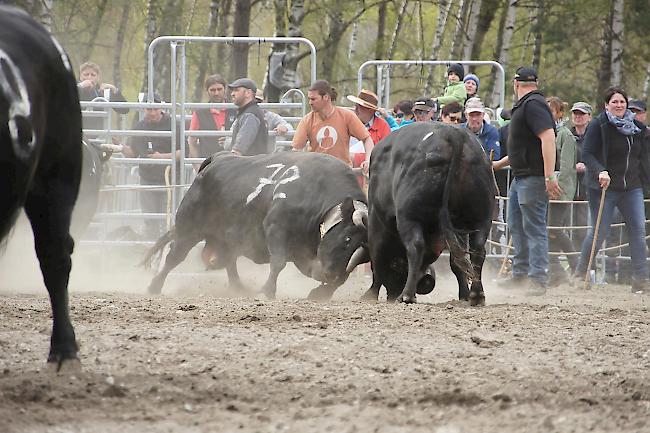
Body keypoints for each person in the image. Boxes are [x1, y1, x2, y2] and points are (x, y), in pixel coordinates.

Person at [573, 87, 650, 294]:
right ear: (606, 105)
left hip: (631, 187)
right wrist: (600, 171)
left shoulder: (637, 128)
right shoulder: (599, 125)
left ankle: (641, 279)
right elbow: (588, 154)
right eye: (614, 102)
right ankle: (580, 273)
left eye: (622, 102)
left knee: (638, 231)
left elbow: (643, 157)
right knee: (599, 232)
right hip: (604, 187)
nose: (619, 105)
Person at [492, 66, 558, 294]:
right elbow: (524, 146)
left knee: (534, 228)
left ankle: (538, 278)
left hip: (533, 177)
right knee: (517, 228)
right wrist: (498, 165)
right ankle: (520, 274)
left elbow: (548, 138)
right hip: (521, 176)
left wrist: (549, 175)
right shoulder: (527, 105)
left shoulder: (533, 104)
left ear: (515, 83)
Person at [122, 95, 183, 239]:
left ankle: (167, 248)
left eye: (155, 108)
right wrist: (119, 147)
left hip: (170, 179)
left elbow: (182, 152)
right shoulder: (139, 127)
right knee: (150, 219)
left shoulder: (173, 124)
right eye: (149, 109)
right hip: (147, 179)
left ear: (161, 108)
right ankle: (150, 248)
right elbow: (133, 152)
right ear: (144, 110)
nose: (152, 112)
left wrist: (161, 157)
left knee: (168, 218)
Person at [292, 80, 373, 171]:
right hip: (316, 173)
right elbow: (296, 150)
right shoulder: (307, 120)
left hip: (341, 172)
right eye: (309, 99)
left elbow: (367, 139)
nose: (310, 102)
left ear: (326, 97)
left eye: (313, 99)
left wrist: (368, 160)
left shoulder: (346, 116)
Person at [545, 96, 578, 285]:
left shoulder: (565, 135)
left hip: (560, 190)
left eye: (552, 111)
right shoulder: (546, 133)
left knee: (556, 230)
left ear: (559, 113)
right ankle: (557, 272)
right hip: (547, 189)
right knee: (548, 231)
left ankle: (577, 267)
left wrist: (555, 186)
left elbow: (566, 168)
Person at [188, 74, 237, 164]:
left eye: (219, 89)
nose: (216, 93)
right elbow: (192, 142)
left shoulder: (235, 109)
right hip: (208, 164)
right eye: (212, 90)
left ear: (225, 89)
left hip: (232, 163)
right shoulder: (199, 112)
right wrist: (198, 167)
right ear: (207, 92)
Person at [77, 61, 129, 133]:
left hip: (98, 136)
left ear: (98, 77)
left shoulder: (103, 92)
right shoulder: (73, 89)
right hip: (76, 133)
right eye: (86, 74)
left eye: (93, 75)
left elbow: (124, 110)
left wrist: (114, 90)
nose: (89, 77)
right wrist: (80, 87)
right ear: (80, 76)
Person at [227, 78, 268, 156]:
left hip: (249, 164)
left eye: (236, 90)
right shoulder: (252, 111)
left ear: (248, 93)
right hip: (254, 163)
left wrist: (233, 157)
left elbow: (240, 147)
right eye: (232, 91)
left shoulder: (250, 114)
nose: (232, 93)